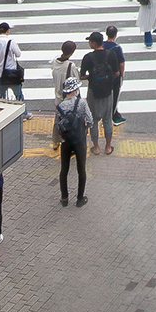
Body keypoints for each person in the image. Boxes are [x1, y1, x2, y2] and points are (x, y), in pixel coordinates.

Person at [53, 77, 90, 206]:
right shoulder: (82, 103)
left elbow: (57, 125)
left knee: (64, 169)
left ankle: (64, 198)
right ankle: (80, 199)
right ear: (75, 90)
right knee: (81, 170)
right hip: (79, 140)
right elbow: (90, 120)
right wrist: (84, 128)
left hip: (66, 141)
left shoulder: (60, 106)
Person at [82, 32, 118, 155]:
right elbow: (117, 73)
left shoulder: (88, 57)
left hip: (93, 92)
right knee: (107, 119)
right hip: (108, 91)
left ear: (93, 43)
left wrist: (90, 76)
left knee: (93, 120)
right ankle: (108, 147)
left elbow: (82, 76)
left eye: (90, 42)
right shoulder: (111, 54)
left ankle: (96, 147)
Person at [0, 21, 27, 110]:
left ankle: (2, 113)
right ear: (7, 31)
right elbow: (18, 54)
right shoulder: (11, 42)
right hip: (12, 73)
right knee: (18, 95)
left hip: (0, 73)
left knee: (1, 96)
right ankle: (23, 113)